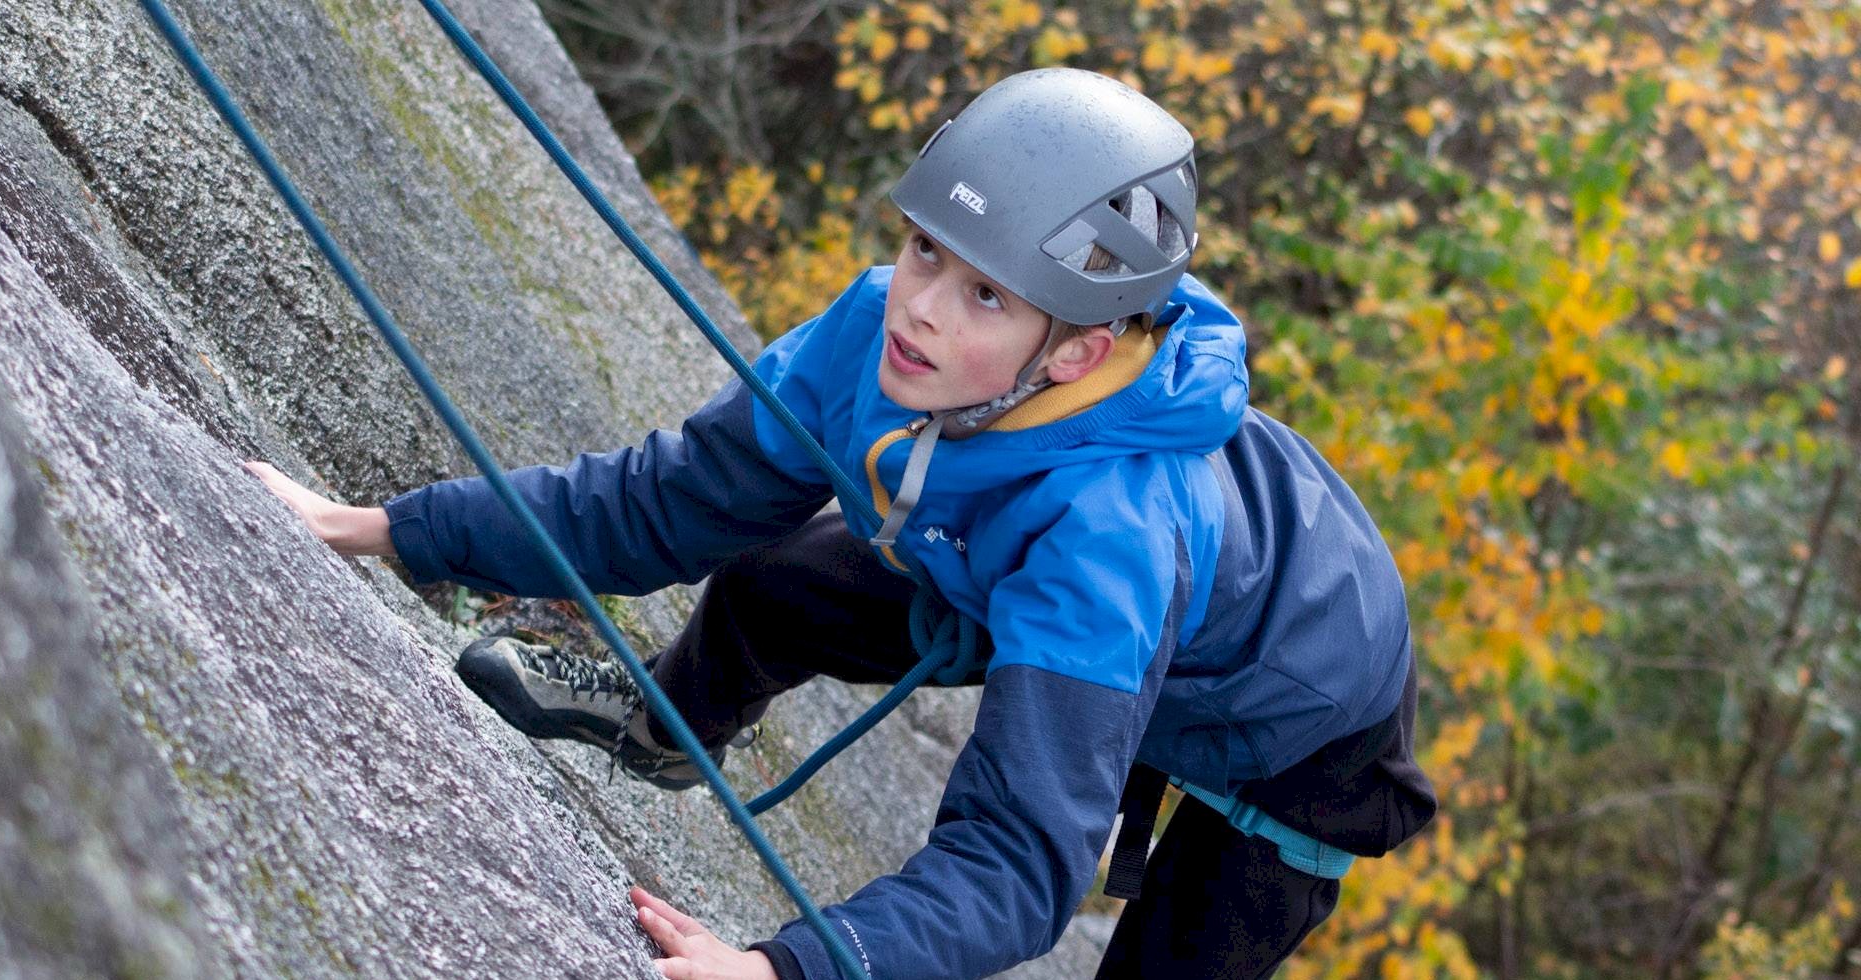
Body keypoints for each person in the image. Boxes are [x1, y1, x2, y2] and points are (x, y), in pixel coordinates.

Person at [248, 68, 1436, 980]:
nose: (917, 306)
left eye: (982, 294)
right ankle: (672, 723)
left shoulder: (1108, 536)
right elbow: (668, 499)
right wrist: (382, 530)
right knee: (773, 583)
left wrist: (782, 964)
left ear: (1076, 349)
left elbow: (1022, 859)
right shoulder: (883, 332)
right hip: (1031, 567)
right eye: (924, 248)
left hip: (1299, 728)